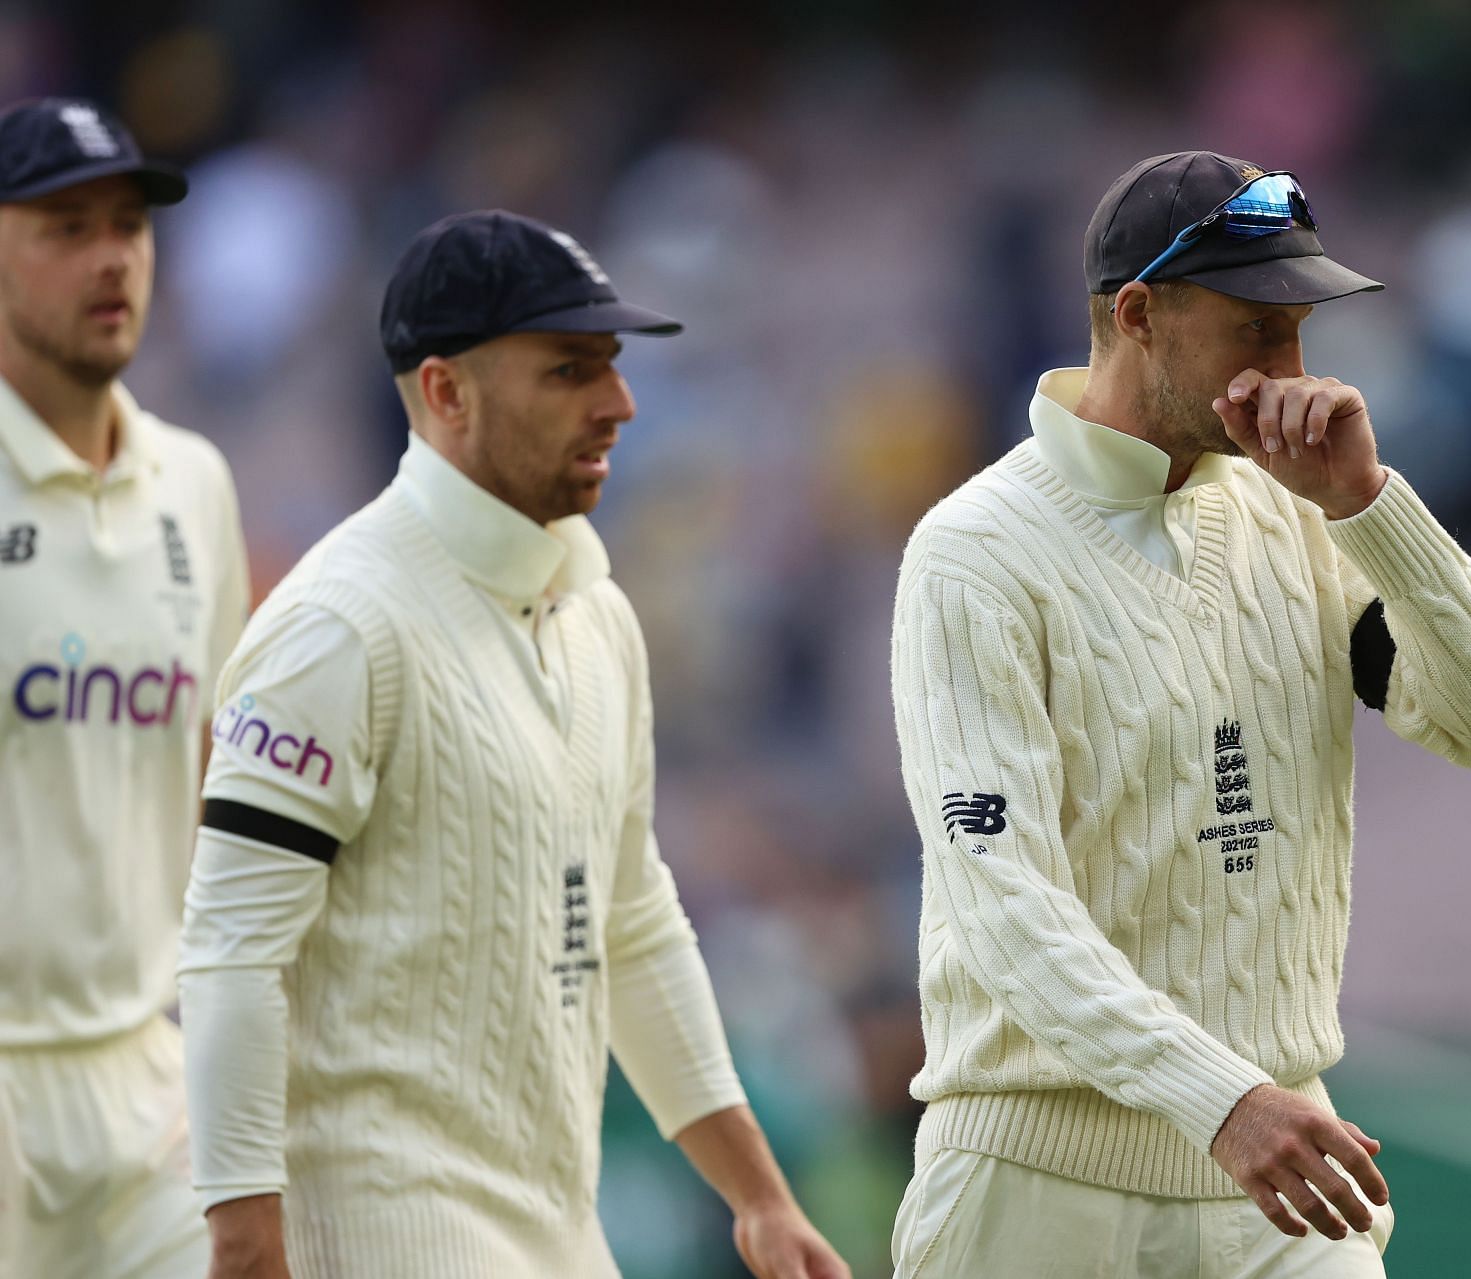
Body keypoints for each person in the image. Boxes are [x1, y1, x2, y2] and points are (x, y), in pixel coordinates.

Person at [887, 151, 1471, 1278]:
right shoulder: (974, 553)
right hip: (1034, 1192)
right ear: (1139, 314)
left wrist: (1368, 505)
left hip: (1285, 1189)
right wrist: (1220, 1100)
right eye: (1257, 329)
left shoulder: (1303, 518)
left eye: (1300, 330)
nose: (1293, 373)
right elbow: (1002, 908)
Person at [175, 209, 849, 1279]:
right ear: (446, 393)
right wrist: (246, 1239)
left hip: (558, 1226)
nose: (619, 404)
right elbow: (230, 952)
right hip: (379, 1225)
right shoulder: (335, 628)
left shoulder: (596, 617)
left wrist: (758, 1195)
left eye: (613, 368)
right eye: (570, 371)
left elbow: (632, 922)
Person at [0, 96, 247, 1279]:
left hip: (148, 1084)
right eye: (65, 227)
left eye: (130, 227)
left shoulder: (193, 485)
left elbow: (221, 782)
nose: (113, 257)